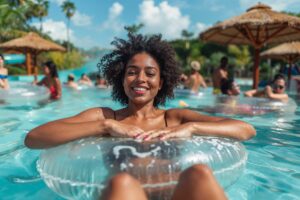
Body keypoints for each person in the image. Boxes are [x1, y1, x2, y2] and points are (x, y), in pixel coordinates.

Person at [25, 33, 255, 199]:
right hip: (127, 195)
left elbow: (245, 130)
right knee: (123, 182)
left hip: (175, 195)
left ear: (161, 82)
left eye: (150, 73)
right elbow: (34, 138)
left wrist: (192, 128)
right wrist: (105, 127)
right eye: (132, 72)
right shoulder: (105, 116)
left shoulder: (174, 119)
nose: (140, 79)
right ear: (121, 79)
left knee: (199, 173)